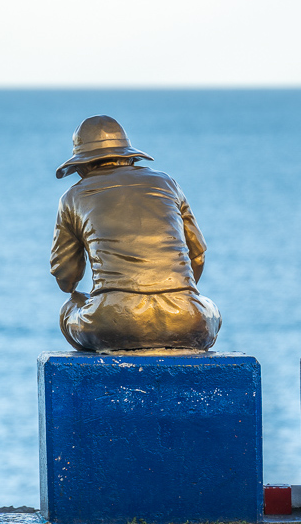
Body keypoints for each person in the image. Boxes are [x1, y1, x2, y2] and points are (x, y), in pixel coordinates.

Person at [50, 115, 221, 352]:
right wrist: (175, 294)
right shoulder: (167, 184)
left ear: (82, 166)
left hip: (112, 324)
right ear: (129, 158)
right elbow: (198, 256)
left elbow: (66, 278)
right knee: (209, 307)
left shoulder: (71, 198)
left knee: (69, 309)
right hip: (187, 321)